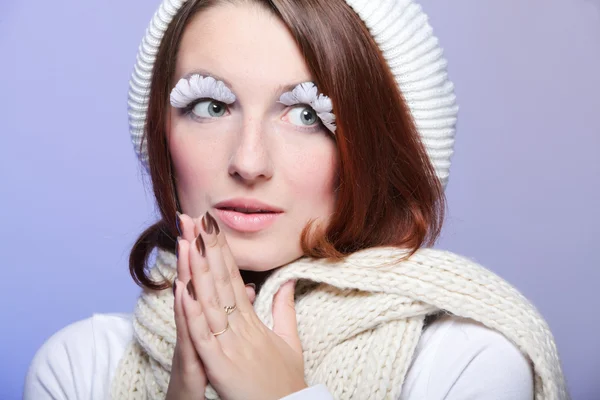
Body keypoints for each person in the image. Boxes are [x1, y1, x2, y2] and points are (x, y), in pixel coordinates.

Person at [24, 0, 569, 399]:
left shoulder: (465, 363)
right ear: (162, 134)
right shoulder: (80, 368)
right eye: (211, 106)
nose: (249, 161)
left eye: (308, 115)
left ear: (381, 148)